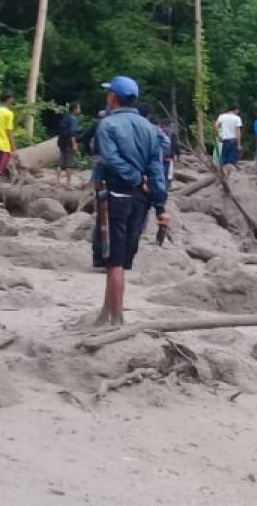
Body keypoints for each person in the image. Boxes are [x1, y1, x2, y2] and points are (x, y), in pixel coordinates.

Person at [92, 75, 168, 326]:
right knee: (121, 259)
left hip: (115, 195)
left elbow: (111, 160)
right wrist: (160, 205)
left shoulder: (108, 125)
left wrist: (134, 178)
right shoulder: (151, 129)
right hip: (140, 201)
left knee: (114, 261)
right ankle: (106, 312)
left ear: (113, 97)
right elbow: (157, 169)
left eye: (108, 93)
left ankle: (117, 319)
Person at [56, 103, 82, 186]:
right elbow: (72, 133)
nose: (79, 110)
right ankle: (68, 183)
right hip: (68, 143)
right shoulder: (73, 118)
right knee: (69, 164)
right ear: (74, 109)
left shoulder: (65, 117)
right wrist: (74, 144)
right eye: (78, 108)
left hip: (61, 141)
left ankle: (57, 181)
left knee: (60, 163)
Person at [215, 104, 242, 174]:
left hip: (224, 140)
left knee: (224, 159)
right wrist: (239, 144)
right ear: (236, 110)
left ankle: (222, 174)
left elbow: (215, 126)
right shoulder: (237, 118)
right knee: (231, 160)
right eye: (238, 111)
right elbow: (238, 132)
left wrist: (218, 136)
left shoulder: (222, 116)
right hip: (233, 140)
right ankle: (229, 175)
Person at [158, 119, 180, 191]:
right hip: (169, 157)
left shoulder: (157, 132)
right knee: (168, 175)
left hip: (158, 157)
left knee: (160, 173)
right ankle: (166, 189)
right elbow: (176, 145)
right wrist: (178, 155)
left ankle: (160, 188)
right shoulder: (172, 133)